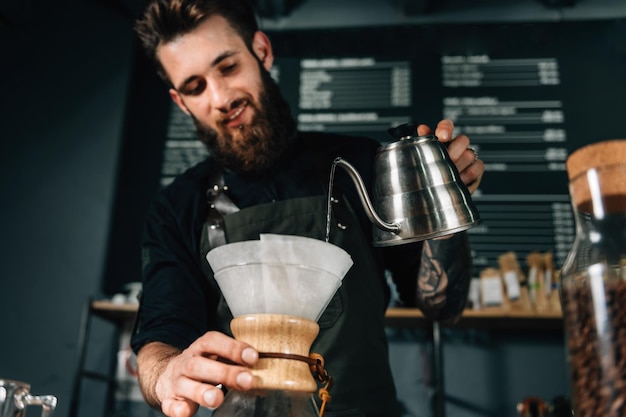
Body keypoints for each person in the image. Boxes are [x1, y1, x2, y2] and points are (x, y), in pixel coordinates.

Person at [130, 1, 485, 417]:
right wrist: (167, 372)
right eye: (195, 86)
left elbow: (443, 305)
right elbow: (160, 337)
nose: (221, 96)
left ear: (261, 51)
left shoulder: (361, 165)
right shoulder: (177, 207)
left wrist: (444, 213)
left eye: (227, 67)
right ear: (181, 101)